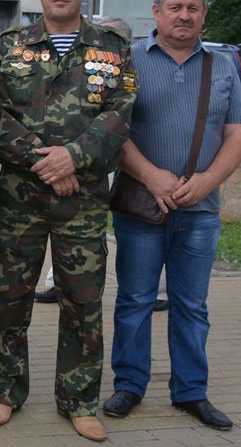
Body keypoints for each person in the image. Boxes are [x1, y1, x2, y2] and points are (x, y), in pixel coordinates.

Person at [0, 0, 135, 442]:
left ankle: (79, 400)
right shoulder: (9, 46)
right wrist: (49, 163)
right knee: (9, 298)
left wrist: (73, 157)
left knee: (82, 302)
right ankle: (5, 392)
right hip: (21, 199)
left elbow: (120, 113)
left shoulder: (113, 49)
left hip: (83, 202)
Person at [103, 0, 241, 431]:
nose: (184, 16)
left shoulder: (222, 65)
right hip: (142, 208)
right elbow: (112, 130)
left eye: (193, 8)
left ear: (204, 14)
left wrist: (206, 182)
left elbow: (238, 134)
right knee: (135, 300)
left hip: (200, 211)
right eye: (176, 7)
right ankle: (129, 385)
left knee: (192, 305)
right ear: (157, 12)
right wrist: (152, 176)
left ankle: (191, 392)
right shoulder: (129, 61)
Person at [33, 18, 171, 312]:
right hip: (79, 159)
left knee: (138, 225)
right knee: (70, 225)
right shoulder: (83, 64)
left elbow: (121, 115)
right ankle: (56, 281)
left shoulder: (128, 64)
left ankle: (158, 291)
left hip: (117, 159)